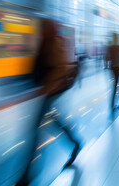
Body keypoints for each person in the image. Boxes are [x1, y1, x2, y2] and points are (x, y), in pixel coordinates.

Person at [17, 19, 80, 185]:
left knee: (34, 131)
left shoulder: (53, 43)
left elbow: (60, 68)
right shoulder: (47, 42)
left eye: (42, 28)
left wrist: (46, 89)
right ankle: (75, 143)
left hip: (50, 92)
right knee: (54, 122)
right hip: (48, 91)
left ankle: (28, 174)